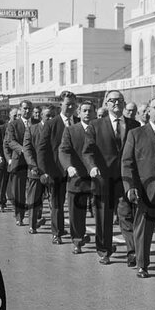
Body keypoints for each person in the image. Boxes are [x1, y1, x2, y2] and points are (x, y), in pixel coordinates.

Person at [121, 95, 155, 279]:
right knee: (144, 227)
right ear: (148, 111)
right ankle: (142, 264)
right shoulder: (136, 134)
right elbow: (127, 163)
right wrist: (130, 187)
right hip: (146, 188)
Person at [82, 90, 138, 265]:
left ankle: (132, 252)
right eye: (112, 101)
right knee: (104, 218)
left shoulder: (134, 125)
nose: (116, 104)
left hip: (126, 179)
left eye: (120, 100)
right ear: (106, 104)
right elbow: (87, 152)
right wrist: (92, 168)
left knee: (126, 215)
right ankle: (104, 251)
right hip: (103, 179)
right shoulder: (95, 125)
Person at [27, 91, 77, 244]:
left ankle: (76, 234)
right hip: (56, 170)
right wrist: (44, 171)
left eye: (73, 105)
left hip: (77, 171)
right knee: (57, 203)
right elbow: (42, 150)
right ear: (60, 105)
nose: (70, 107)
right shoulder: (51, 124)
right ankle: (57, 233)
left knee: (76, 203)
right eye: (67, 104)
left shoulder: (79, 122)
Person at [59, 99, 97, 254]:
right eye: (84, 110)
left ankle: (103, 243)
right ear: (79, 113)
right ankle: (77, 240)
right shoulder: (71, 130)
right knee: (76, 213)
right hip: (77, 177)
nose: (87, 113)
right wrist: (68, 166)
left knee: (100, 213)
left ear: (95, 112)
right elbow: (63, 151)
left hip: (97, 179)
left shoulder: (101, 129)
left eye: (90, 110)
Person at [22, 106, 55, 234]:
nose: (50, 118)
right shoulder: (31, 129)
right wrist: (33, 166)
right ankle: (32, 225)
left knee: (54, 201)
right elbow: (27, 150)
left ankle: (55, 228)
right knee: (34, 199)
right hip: (35, 171)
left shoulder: (57, 130)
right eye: (47, 115)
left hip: (53, 172)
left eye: (52, 115)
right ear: (40, 116)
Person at [3, 100, 34, 226]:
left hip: (34, 161)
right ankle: (19, 216)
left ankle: (35, 215)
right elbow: (10, 141)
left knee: (35, 190)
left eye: (30, 109)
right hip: (19, 161)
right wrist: (23, 150)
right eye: (25, 108)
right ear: (20, 110)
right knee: (19, 191)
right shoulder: (13, 125)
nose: (27, 111)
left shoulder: (36, 124)